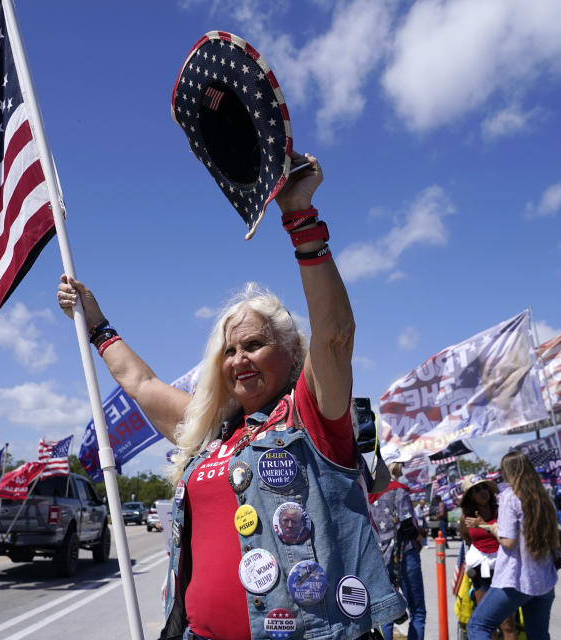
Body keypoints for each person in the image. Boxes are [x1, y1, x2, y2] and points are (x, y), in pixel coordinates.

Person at [57, 152, 404, 640]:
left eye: (255, 344)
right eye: (229, 350)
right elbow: (142, 385)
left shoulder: (312, 417)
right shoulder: (214, 432)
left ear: (290, 351)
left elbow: (335, 335)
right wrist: (97, 325)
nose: (238, 358)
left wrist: (299, 216)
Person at [466, 451, 561, 640]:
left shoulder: (510, 497)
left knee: (478, 626)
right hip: (544, 578)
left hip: (516, 578)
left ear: (509, 472)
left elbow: (508, 541)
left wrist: (493, 528)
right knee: (538, 635)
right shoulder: (544, 498)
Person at [368, 462, 426, 640]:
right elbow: (407, 526)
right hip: (404, 554)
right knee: (417, 611)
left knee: (387, 611)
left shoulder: (370, 494)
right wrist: (418, 536)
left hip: (380, 556)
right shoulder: (399, 491)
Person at [458, 475, 516, 640]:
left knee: (507, 623)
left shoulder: (501, 510)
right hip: (481, 572)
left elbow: (508, 537)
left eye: (484, 487)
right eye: (477, 489)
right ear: (470, 496)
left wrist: (483, 525)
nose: (483, 492)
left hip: (503, 569)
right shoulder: (465, 518)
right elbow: (467, 539)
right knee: (487, 624)